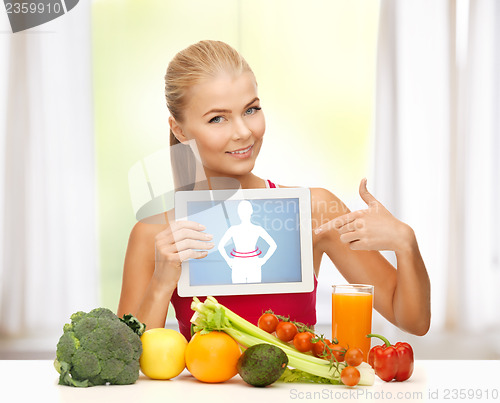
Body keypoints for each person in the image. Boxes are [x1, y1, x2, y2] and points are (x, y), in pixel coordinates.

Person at [117, 40, 431, 340]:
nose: (243, 132)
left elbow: (413, 321)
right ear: (180, 130)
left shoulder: (315, 209)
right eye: (217, 119)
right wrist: (161, 282)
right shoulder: (154, 236)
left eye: (250, 110)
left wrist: (405, 242)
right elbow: (123, 360)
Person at [218, 200, 277, 284]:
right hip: (240, 264)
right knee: (239, 293)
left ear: (251, 211)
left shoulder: (256, 229)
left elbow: (273, 245)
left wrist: (263, 260)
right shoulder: (234, 229)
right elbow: (220, 246)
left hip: (250, 264)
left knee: (254, 293)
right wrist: (228, 260)